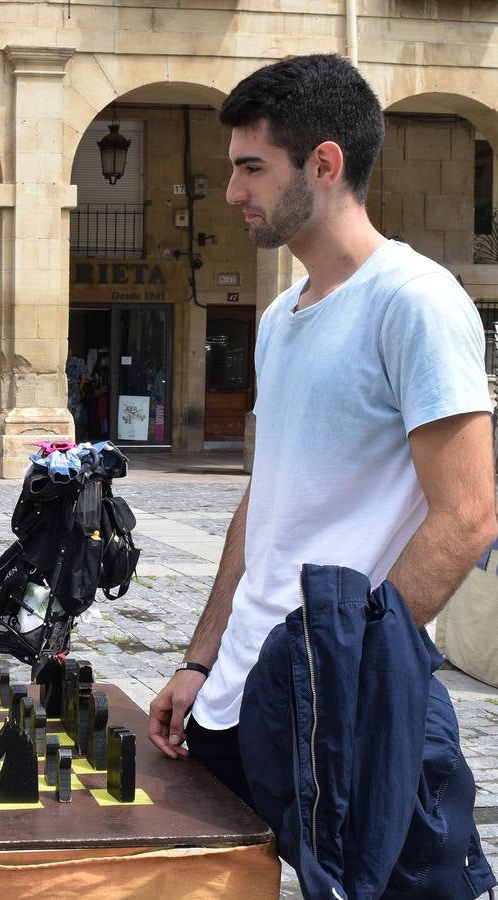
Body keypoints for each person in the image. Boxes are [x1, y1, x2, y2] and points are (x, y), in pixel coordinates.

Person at [147, 52, 495, 874]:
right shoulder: (278, 317)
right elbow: (262, 508)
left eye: (250, 168)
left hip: (340, 700)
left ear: (324, 165)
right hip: (238, 702)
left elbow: (469, 511)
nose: (233, 192)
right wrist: (200, 660)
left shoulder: (412, 300)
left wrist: (350, 665)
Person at [65, 352, 88, 442]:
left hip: (73, 389)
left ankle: (76, 436)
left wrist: (81, 388)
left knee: (75, 413)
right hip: (65, 388)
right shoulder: (63, 360)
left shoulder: (78, 362)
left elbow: (84, 376)